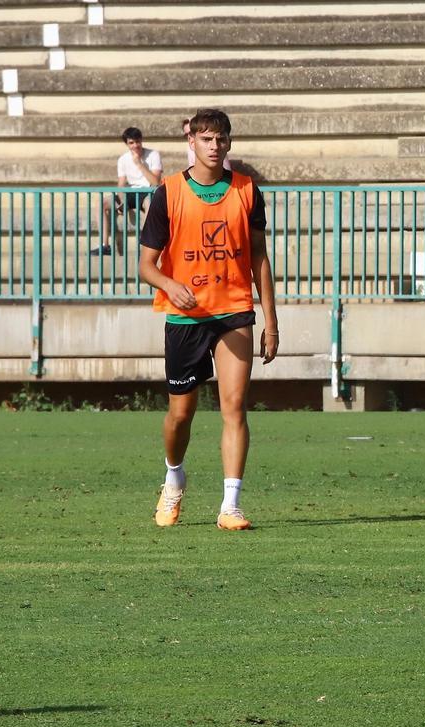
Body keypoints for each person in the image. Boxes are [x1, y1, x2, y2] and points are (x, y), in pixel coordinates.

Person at [138, 108, 279, 532]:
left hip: (234, 310)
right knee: (182, 413)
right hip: (185, 317)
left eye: (220, 139)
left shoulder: (247, 191)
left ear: (229, 143)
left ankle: (230, 505)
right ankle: (173, 478)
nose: (214, 146)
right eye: (206, 139)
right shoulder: (169, 192)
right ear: (192, 143)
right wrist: (168, 283)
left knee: (234, 407)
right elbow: (145, 265)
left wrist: (270, 320)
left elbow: (259, 257)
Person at [91, 126, 162, 257]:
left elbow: (156, 181)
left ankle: (147, 247)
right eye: (131, 143)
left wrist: (140, 164)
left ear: (141, 140)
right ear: (127, 144)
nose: (135, 145)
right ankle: (105, 245)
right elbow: (121, 184)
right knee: (102, 202)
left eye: (137, 141)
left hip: (148, 191)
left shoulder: (153, 155)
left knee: (150, 203)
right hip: (130, 192)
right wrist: (121, 201)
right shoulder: (123, 159)